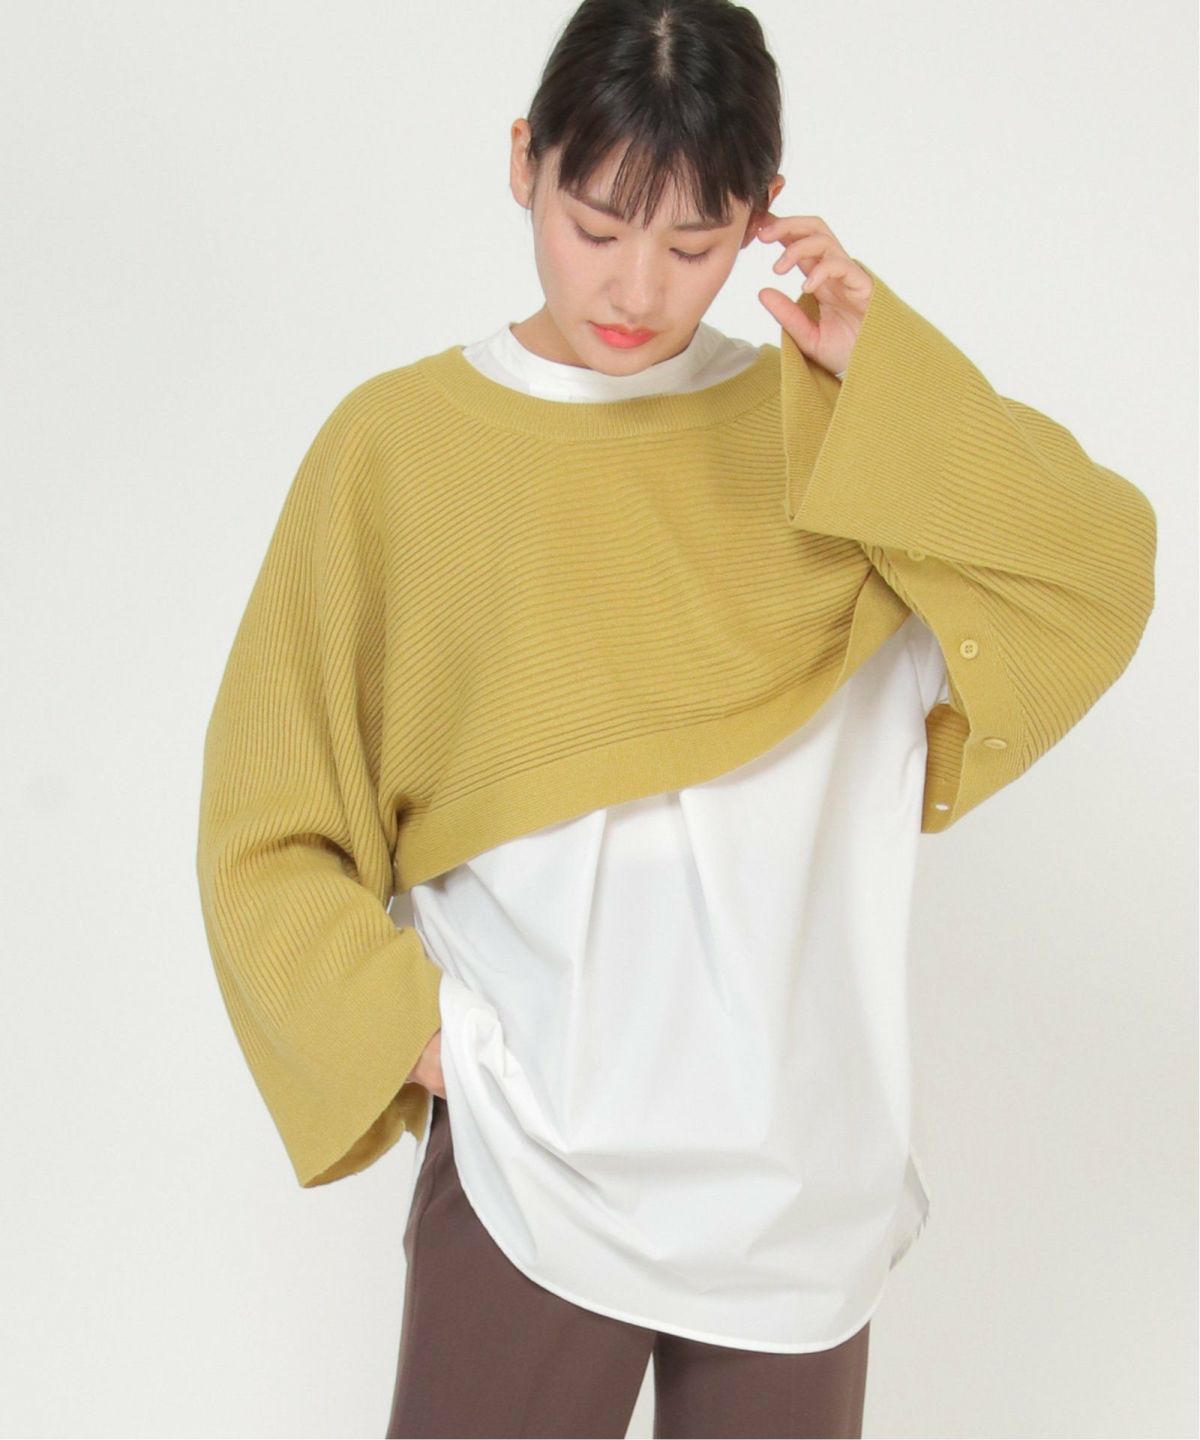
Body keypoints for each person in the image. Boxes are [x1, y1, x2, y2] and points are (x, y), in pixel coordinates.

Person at [195, 2, 1157, 1437]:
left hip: (796, 1181)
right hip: (533, 1165)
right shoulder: (396, 452)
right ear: (522, 162)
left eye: (696, 244)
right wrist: (429, 1043)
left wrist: (889, 371)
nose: (636, 286)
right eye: (595, 224)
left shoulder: (832, 433)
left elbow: (1095, 565)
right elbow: (268, 824)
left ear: (763, 216)